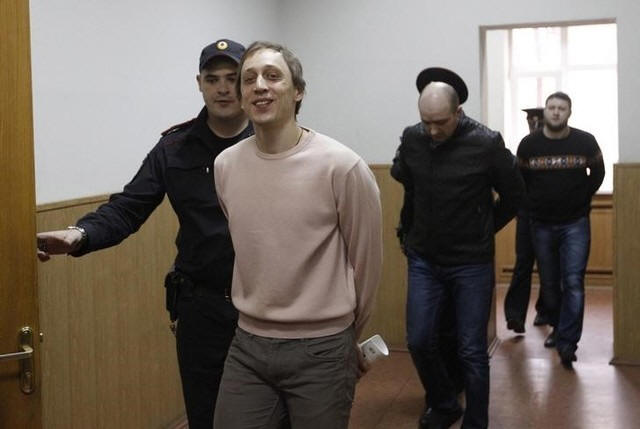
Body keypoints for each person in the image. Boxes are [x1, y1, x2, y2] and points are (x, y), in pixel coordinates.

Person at [35, 39, 251, 429]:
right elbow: (128, 207)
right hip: (202, 309)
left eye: (232, 78)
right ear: (199, 84)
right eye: (212, 79)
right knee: (206, 416)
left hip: (266, 307)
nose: (223, 88)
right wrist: (80, 234)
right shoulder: (175, 148)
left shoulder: (270, 141)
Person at [212, 41, 383, 429]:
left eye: (273, 76)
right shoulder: (226, 165)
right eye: (249, 79)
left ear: (298, 91)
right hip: (248, 343)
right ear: (241, 95)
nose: (260, 86)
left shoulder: (342, 166)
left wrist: (345, 342)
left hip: (322, 347)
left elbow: (366, 265)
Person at [394, 67, 524, 429]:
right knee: (419, 340)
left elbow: (515, 196)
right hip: (424, 258)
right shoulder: (413, 138)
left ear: (459, 113)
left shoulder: (486, 143)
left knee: (471, 350)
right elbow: (407, 182)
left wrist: (483, 229)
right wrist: (409, 232)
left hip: (471, 262)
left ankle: (476, 422)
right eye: (426, 122)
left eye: (441, 122)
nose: (433, 131)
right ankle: (444, 404)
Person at [517, 91, 604, 368]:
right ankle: (557, 327)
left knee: (574, 281)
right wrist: (533, 203)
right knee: (550, 283)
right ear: (545, 112)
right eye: (551, 107)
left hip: (575, 223)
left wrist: (581, 197)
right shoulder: (529, 145)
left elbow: (598, 174)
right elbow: (520, 179)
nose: (556, 112)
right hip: (541, 224)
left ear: (569, 112)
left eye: (561, 108)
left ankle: (568, 342)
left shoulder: (585, 141)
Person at [504, 107, 552, 334]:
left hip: (550, 216)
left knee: (548, 266)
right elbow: (516, 181)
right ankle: (515, 316)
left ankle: (545, 310)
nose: (534, 125)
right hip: (526, 213)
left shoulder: (555, 146)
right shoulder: (525, 146)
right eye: (530, 121)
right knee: (523, 263)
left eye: (538, 121)